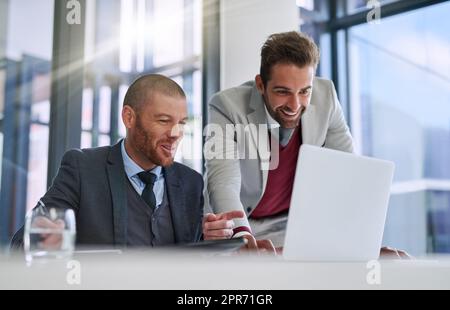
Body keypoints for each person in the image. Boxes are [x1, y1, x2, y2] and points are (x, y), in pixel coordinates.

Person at [205, 31, 408, 258]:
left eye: (304, 91)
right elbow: (223, 182)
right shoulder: (227, 106)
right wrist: (241, 236)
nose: (295, 105)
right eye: (283, 92)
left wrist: (364, 248)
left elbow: (348, 173)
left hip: (291, 226)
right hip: (240, 223)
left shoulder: (326, 97)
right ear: (260, 85)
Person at [11, 74, 241, 249]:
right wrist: (43, 238)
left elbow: (191, 257)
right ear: (129, 117)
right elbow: (23, 242)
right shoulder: (82, 168)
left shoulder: (190, 182)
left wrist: (209, 238)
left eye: (182, 123)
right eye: (163, 120)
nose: (176, 133)